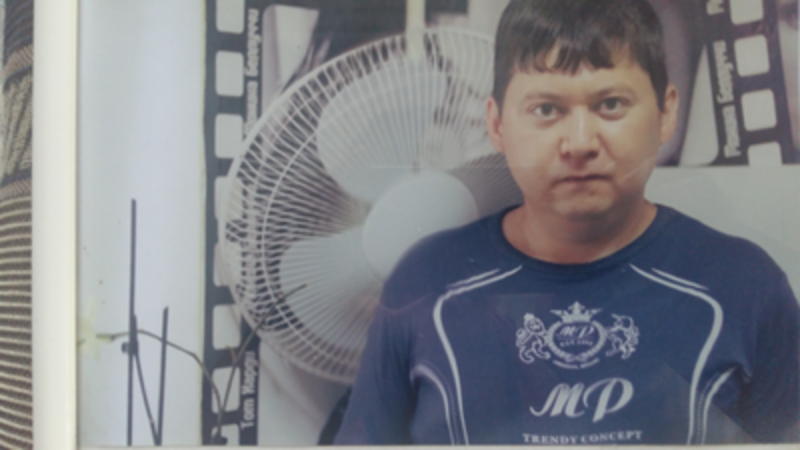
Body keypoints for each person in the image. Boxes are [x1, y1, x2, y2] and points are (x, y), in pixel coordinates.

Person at [333, 0, 800, 444]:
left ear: (666, 112)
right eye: (546, 110)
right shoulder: (426, 283)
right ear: (496, 124)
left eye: (610, 104)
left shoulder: (743, 285)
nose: (579, 143)